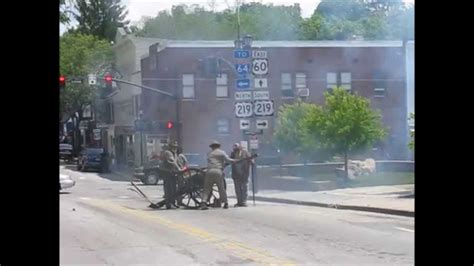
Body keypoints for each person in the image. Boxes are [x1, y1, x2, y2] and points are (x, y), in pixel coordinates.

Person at [200, 141, 239, 210]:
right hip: (218, 171)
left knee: (207, 188)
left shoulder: (209, 153)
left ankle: (203, 202)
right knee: (221, 188)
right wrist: (236, 160)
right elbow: (228, 160)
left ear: (212, 147)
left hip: (209, 171)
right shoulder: (221, 152)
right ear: (218, 146)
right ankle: (225, 202)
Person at [159, 141, 184, 209]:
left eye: (175, 147)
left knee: (173, 188)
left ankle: (172, 202)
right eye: (173, 147)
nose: (175, 148)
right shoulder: (168, 152)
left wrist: (180, 168)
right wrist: (178, 169)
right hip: (166, 172)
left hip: (172, 172)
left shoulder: (174, 153)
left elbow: (176, 162)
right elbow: (172, 162)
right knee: (168, 189)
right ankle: (168, 204)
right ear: (170, 147)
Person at [230, 143, 253, 207]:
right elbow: (229, 161)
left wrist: (251, 161)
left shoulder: (245, 152)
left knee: (245, 188)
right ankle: (239, 202)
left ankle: (244, 201)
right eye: (235, 150)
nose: (236, 151)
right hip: (236, 173)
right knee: (237, 189)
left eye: (237, 149)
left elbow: (251, 160)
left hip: (244, 173)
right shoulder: (233, 154)